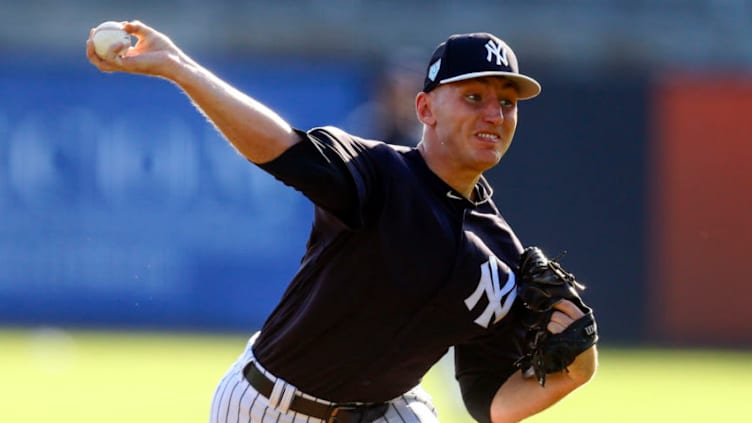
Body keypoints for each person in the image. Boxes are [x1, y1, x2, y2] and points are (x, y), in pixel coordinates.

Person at [86, 21, 598, 423]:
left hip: (391, 411)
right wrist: (179, 66)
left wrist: (575, 372)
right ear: (426, 108)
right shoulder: (379, 175)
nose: (494, 114)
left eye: (506, 104)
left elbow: (490, 403)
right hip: (270, 408)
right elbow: (282, 148)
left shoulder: (500, 256)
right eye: (473, 97)